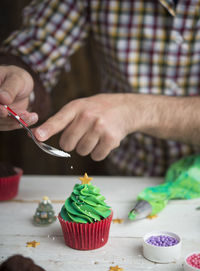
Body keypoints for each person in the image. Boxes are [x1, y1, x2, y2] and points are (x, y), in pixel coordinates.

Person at [0, 0, 199, 176]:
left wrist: (136, 110)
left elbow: (136, 110)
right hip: (125, 181)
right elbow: (35, 48)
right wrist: (18, 79)